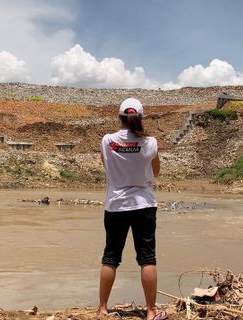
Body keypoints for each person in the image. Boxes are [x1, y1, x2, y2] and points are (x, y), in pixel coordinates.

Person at [98, 97, 164, 320]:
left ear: (120, 118)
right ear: (141, 118)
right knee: (147, 258)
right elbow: (156, 172)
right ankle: (151, 311)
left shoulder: (108, 141)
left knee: (111, 256)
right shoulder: (151, 143)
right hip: (144, 205)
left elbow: (107, 165)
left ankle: (102, 308)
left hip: (116, 205)